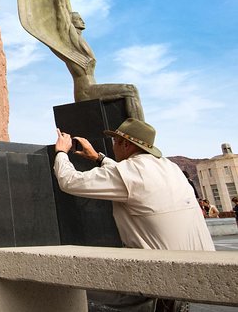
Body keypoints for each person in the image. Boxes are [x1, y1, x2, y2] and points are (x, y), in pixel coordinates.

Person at [54, 118, 214, 311]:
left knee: (71, 289)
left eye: (115, 141)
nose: (113, 146)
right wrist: (99, 158)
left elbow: (69, 181)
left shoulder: (130, 172)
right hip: (201, 272)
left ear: (126, 144)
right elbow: (130, 179)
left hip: (162, 279)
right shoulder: (169, 167)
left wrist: (62, 151)